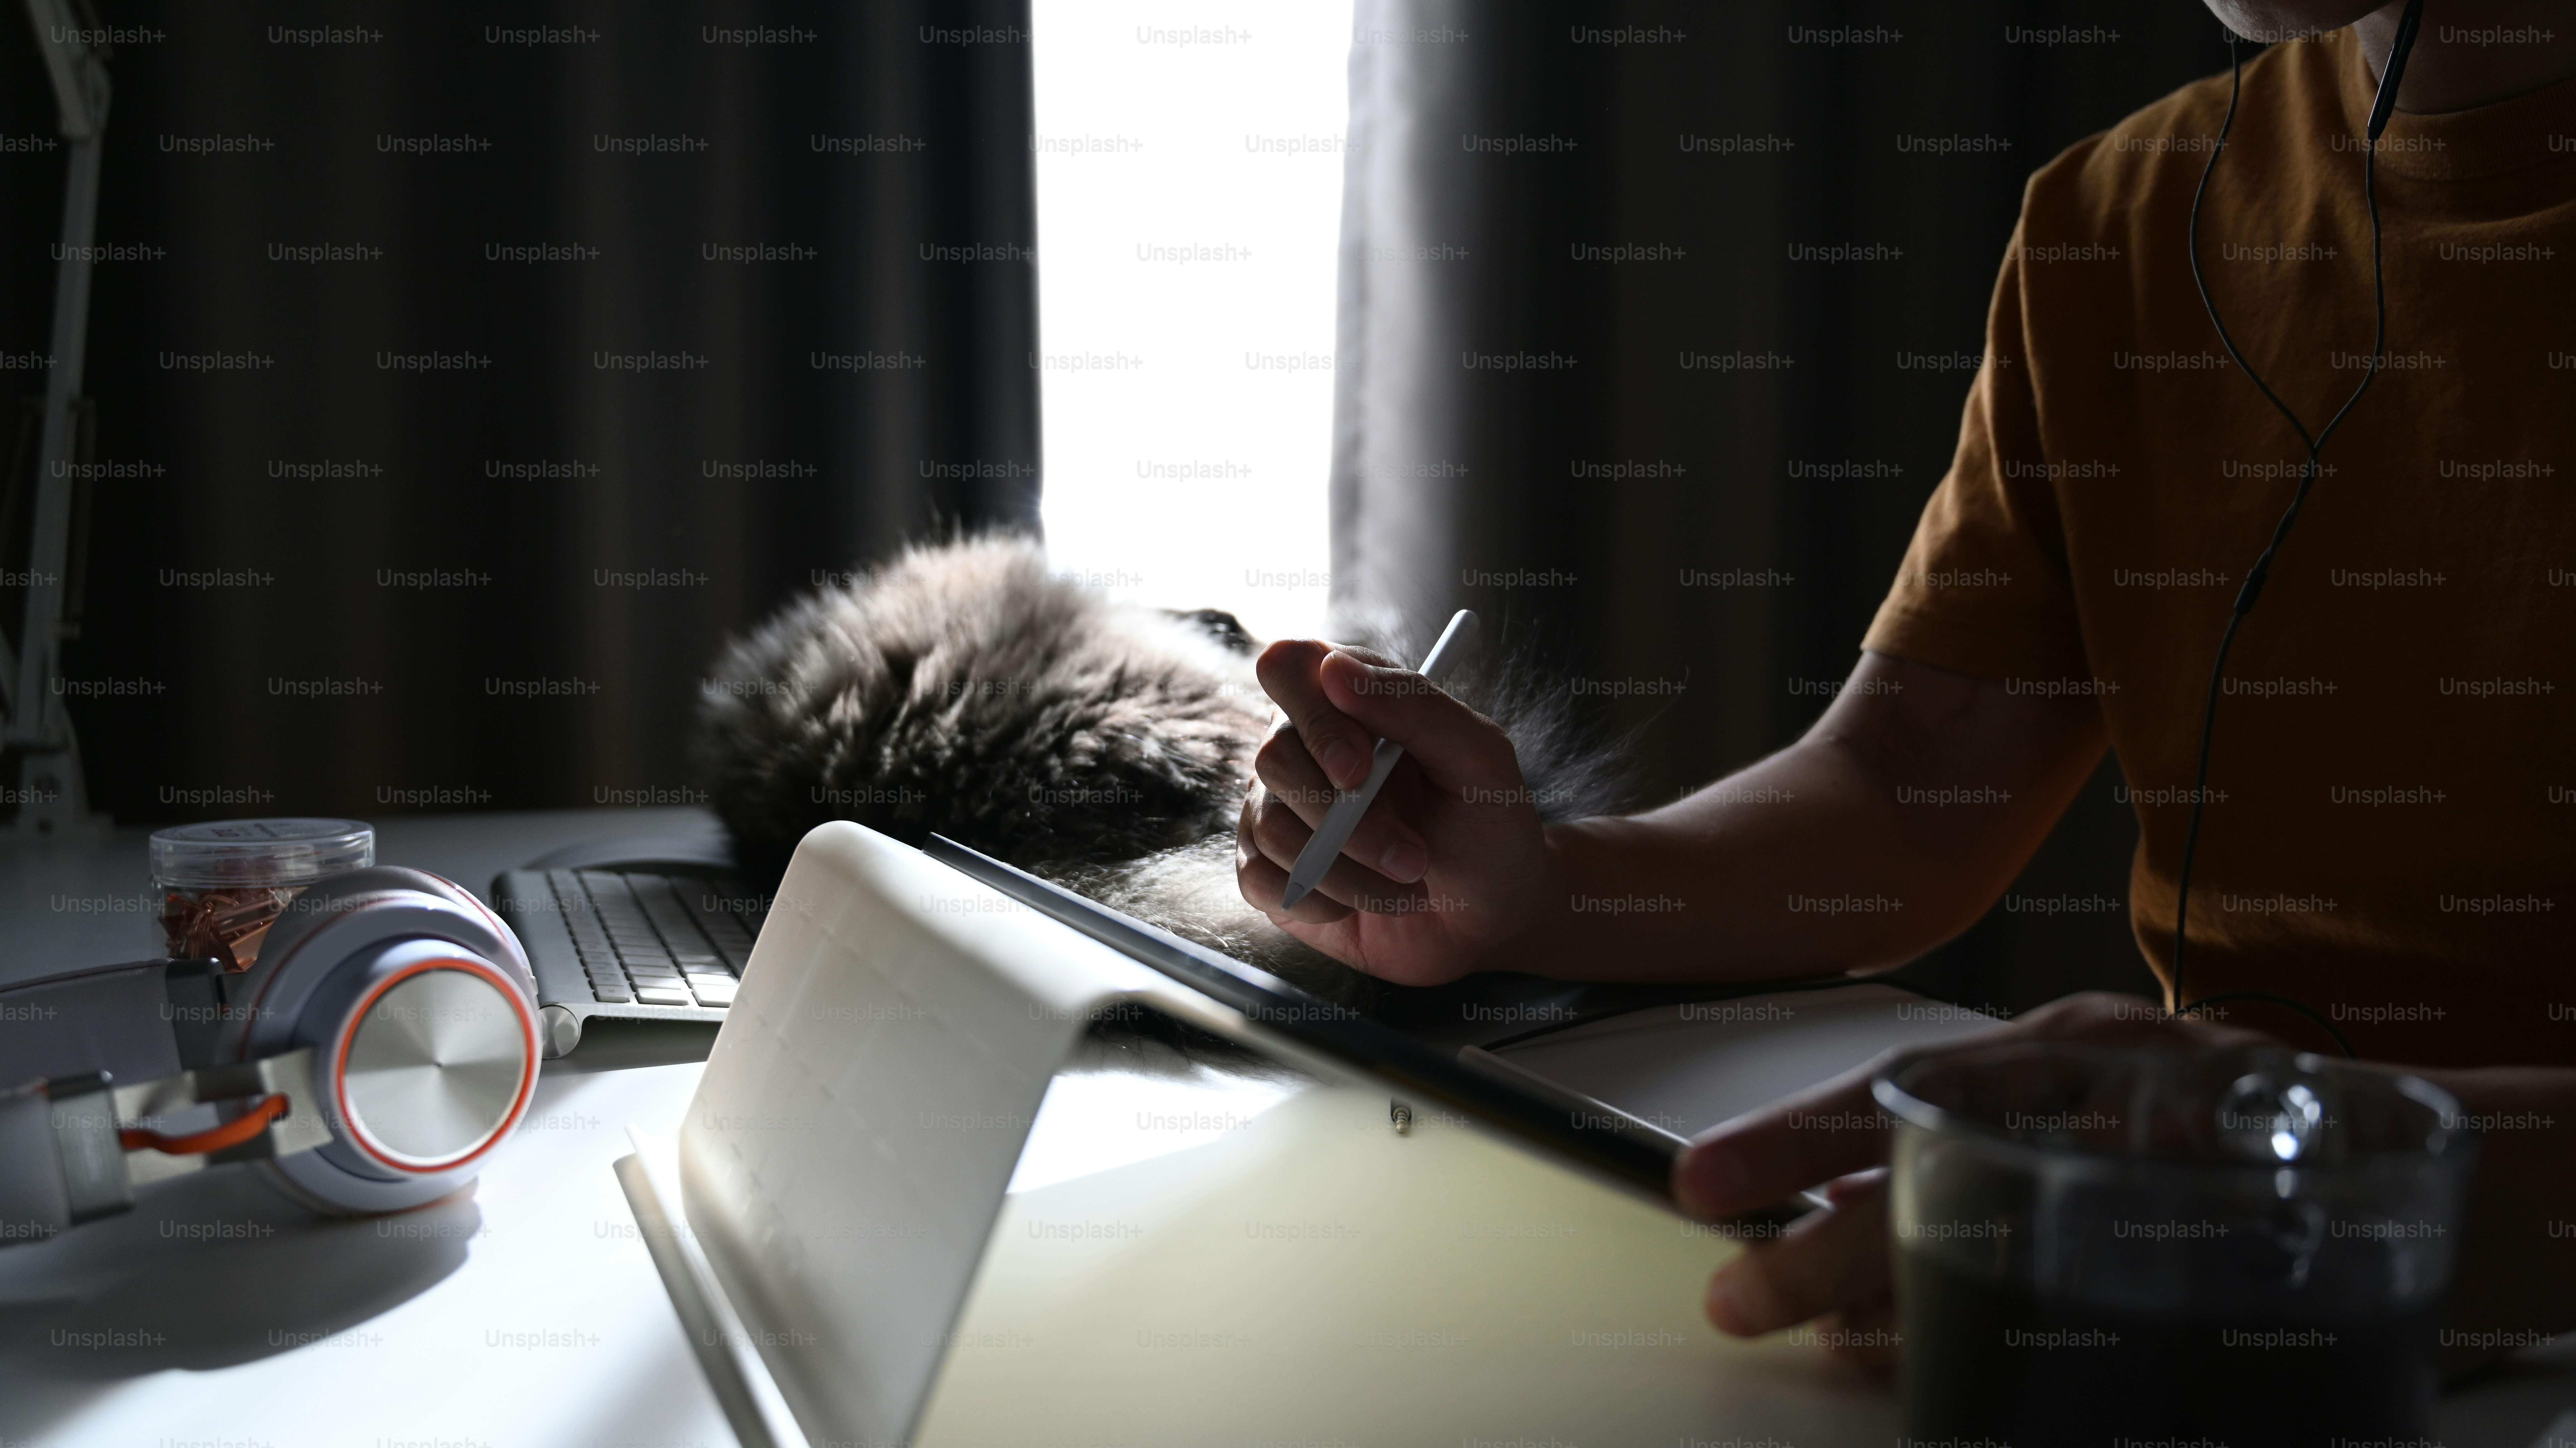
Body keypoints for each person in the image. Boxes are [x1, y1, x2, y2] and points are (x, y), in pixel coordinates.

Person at [1238, 0, 2574, 1372]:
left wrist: (2388, 1201)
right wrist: (1545, 890)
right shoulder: (2121, 211)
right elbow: (1908, 790)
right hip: (2191, 1303)